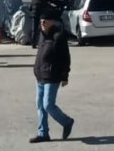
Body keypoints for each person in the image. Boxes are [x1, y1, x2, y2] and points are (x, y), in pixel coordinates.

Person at [31, 10, 74, 143]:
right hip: (40, 75)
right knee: (40, 105)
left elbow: (65, 58)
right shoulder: (41, 35)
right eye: (41, 22)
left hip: (52, 75)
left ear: (52, 22)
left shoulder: (58, 36)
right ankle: (43, 133)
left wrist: (65, 76)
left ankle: (67, 121)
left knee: (48, 105)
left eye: (45, 21)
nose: (42, 24)